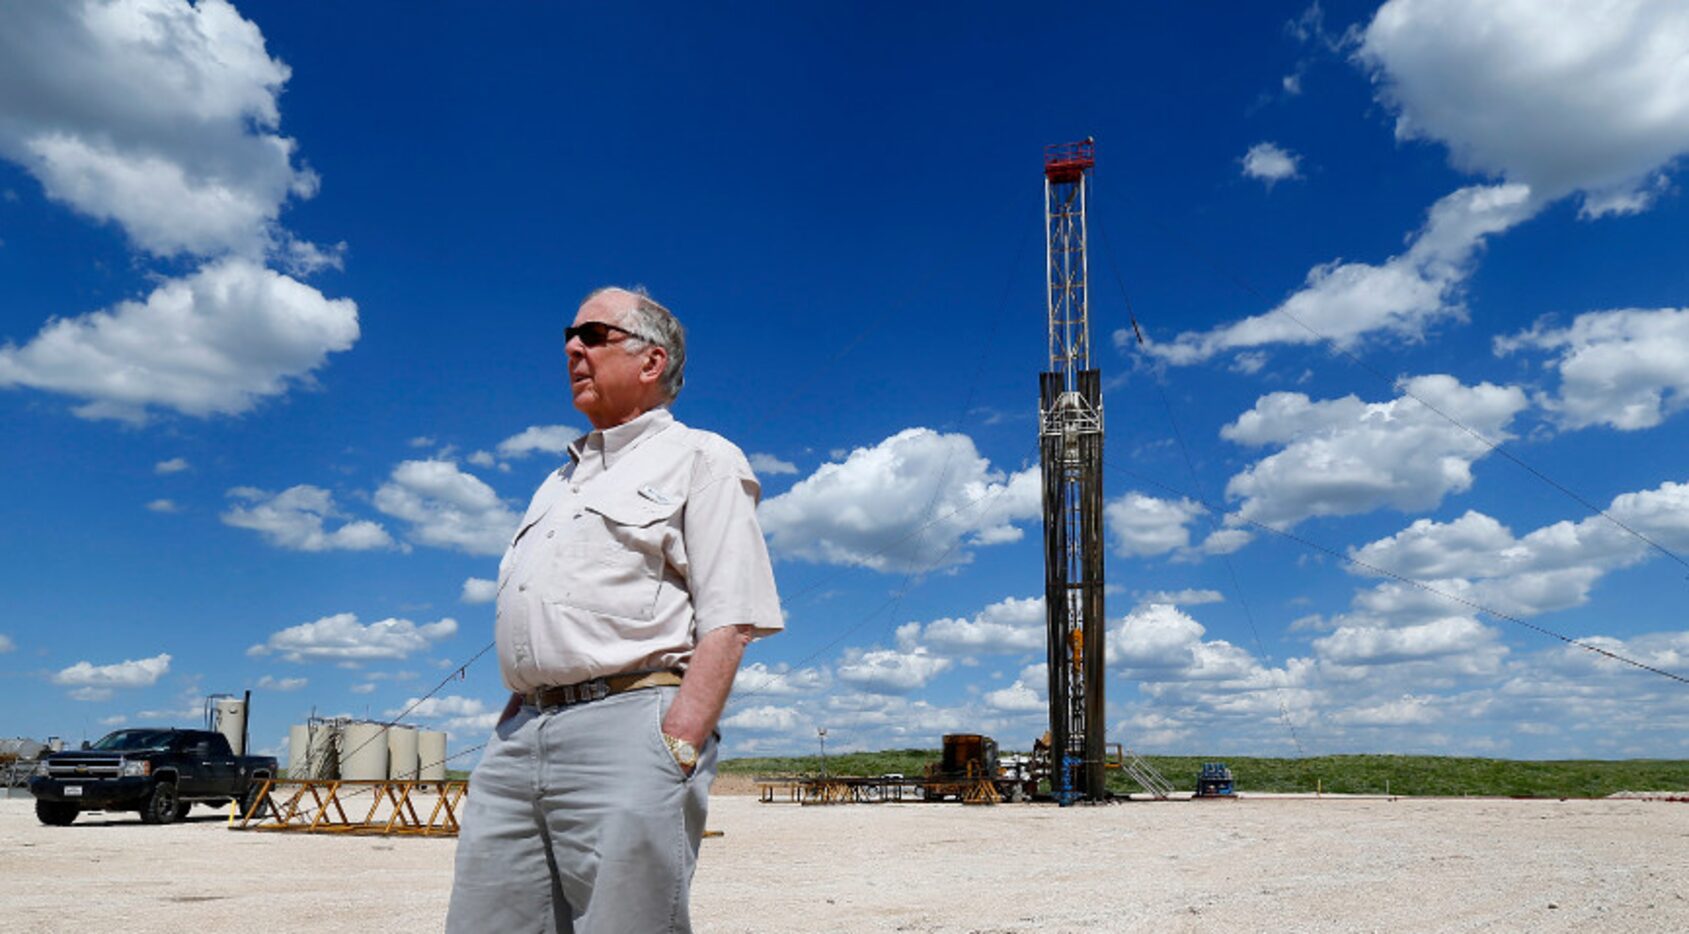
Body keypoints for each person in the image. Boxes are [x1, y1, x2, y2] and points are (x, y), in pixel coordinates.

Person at [447, 286, 783, 933]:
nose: (572, 347)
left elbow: (732, 618)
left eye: (593, 335)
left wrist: (676, 745)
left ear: (651, 361)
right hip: (521, 734)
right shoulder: (558, 482)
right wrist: (514, 719)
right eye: (569, 336)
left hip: (629, 726)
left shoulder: (701, 458)